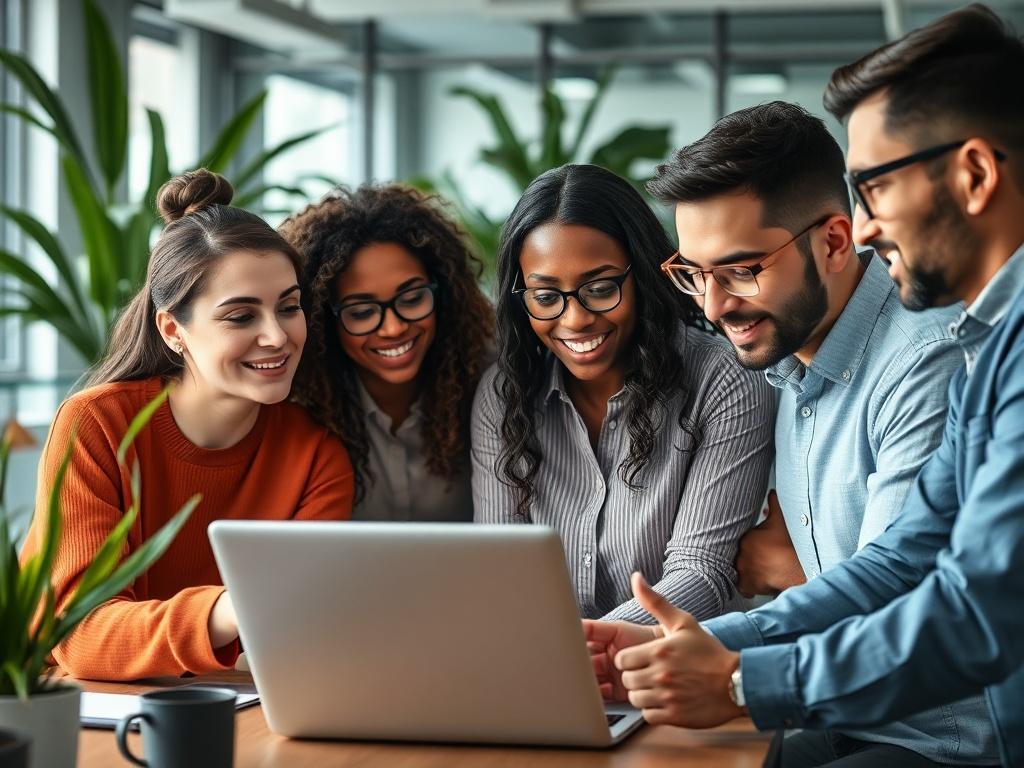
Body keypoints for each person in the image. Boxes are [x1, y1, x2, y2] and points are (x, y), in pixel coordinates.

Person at [584, 5, 1024, 766]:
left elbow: (973, 616)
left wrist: (740, 683)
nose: (864, 228)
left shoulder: (962, 352)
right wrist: (679, 650)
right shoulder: (990, 340)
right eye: (697, 276)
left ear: (976, 175)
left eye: (875, 190)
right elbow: (901, 560)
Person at [648, 100, 995, 766]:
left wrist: (732, 669)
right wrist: (689, 646)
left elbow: (897, 594)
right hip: (851, 718)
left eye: (742, 269)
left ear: (835, 242)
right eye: (694, 274)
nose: (715, 307)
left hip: (945, 740)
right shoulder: (790, 353)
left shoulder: (926, 359)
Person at [20, 169, 355, 681]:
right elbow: (79, 632)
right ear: (174, 330)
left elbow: (299, 631)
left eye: (289, 307)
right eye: (241, 317)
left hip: (238, 705)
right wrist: (234, 609)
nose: (278, 336)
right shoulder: (97, 424)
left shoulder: (316, 456)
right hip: (75, 709)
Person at [472, 163, 775, 622]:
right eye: (546, 296)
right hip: (545, 673)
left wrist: (582, 651)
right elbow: (498, 573)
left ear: (644, 278)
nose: (575, 320)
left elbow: (701, 571)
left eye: (599, 288)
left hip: (677, 671)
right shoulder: (504, 394)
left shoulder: (723, 380)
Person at [281, 184, 494, 521]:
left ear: (444, 292)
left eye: (411, 299)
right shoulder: (298, 404)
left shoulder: (491, 378)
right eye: (362, 312)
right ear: (323, 319)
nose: (393, 328)